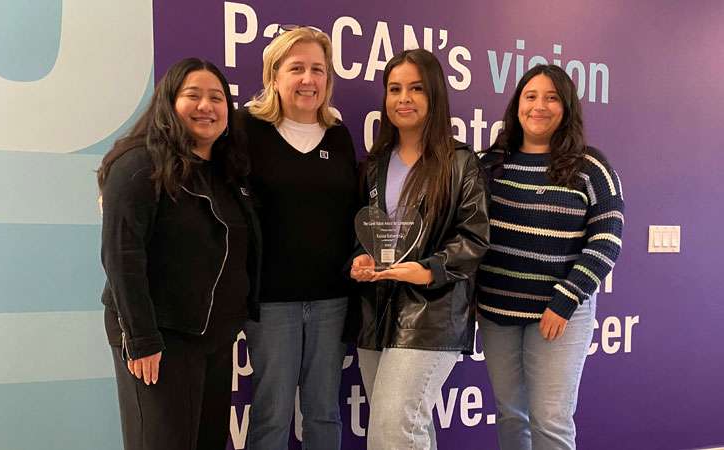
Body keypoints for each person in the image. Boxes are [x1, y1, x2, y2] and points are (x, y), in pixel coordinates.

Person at [98, 58, 260, 450]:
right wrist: (141, 339)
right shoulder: (138, 165)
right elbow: (122, 255)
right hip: (160, 338)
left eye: (217, 98)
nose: (206, 106)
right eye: (193, 95)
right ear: (168, 103)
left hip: (214, 339)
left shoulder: (226, 172)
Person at [477, 64, 625, 450]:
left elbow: (606, 241)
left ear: (567, 108)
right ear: (517, 105)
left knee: (551, 421)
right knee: (511, 415)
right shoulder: (492, 165)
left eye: (551, 97)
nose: (539, 106)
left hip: (559, 315)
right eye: (530, 96)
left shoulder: (590, 167)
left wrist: (564, 300)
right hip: (497, 313)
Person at [350, 48, 490, 450]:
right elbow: (361, 233)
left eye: (415, 88)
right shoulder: (374, 165)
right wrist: (358, 260)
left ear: (435, 96)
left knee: (392, 432)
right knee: (406, 427)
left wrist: (429, 269)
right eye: (394, 89)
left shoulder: (461, 162)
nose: (403, 98)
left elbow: (475, 236)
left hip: (431, 313)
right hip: (376, 312)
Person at [235, 27, 358, 450]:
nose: (309, 79)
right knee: (272, 414)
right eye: (297, 68)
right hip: (270, 302)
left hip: (331, 301)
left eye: (318, 70)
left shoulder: (339, 135)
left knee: (324, 412)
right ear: (274, 75)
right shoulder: (245, 129)